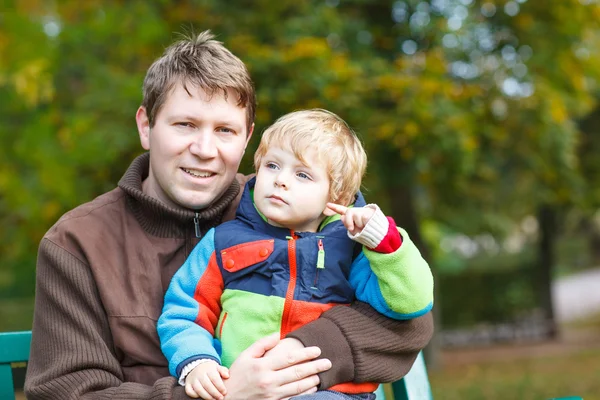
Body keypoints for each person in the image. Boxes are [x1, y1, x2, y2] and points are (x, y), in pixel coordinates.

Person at [24, 31, 434, 400]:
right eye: (185, 124)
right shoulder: (77, 242)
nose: (204, 149)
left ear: (247, 138)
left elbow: (408, 324)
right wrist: (225, 394)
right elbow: (66, 391)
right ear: (147, 127)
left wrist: (295, 356)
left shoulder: (294, 211)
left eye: (225, 130)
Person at [158, 109, 434, 400]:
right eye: (273, 165)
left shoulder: (353, 248)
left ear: (335, 198)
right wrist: (197, 361)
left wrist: (384, 243)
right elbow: (183, 312)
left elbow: (410, 302)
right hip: (246, 390)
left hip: (331, 393)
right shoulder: (223, 241)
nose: (281, 180)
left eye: (302, 174)